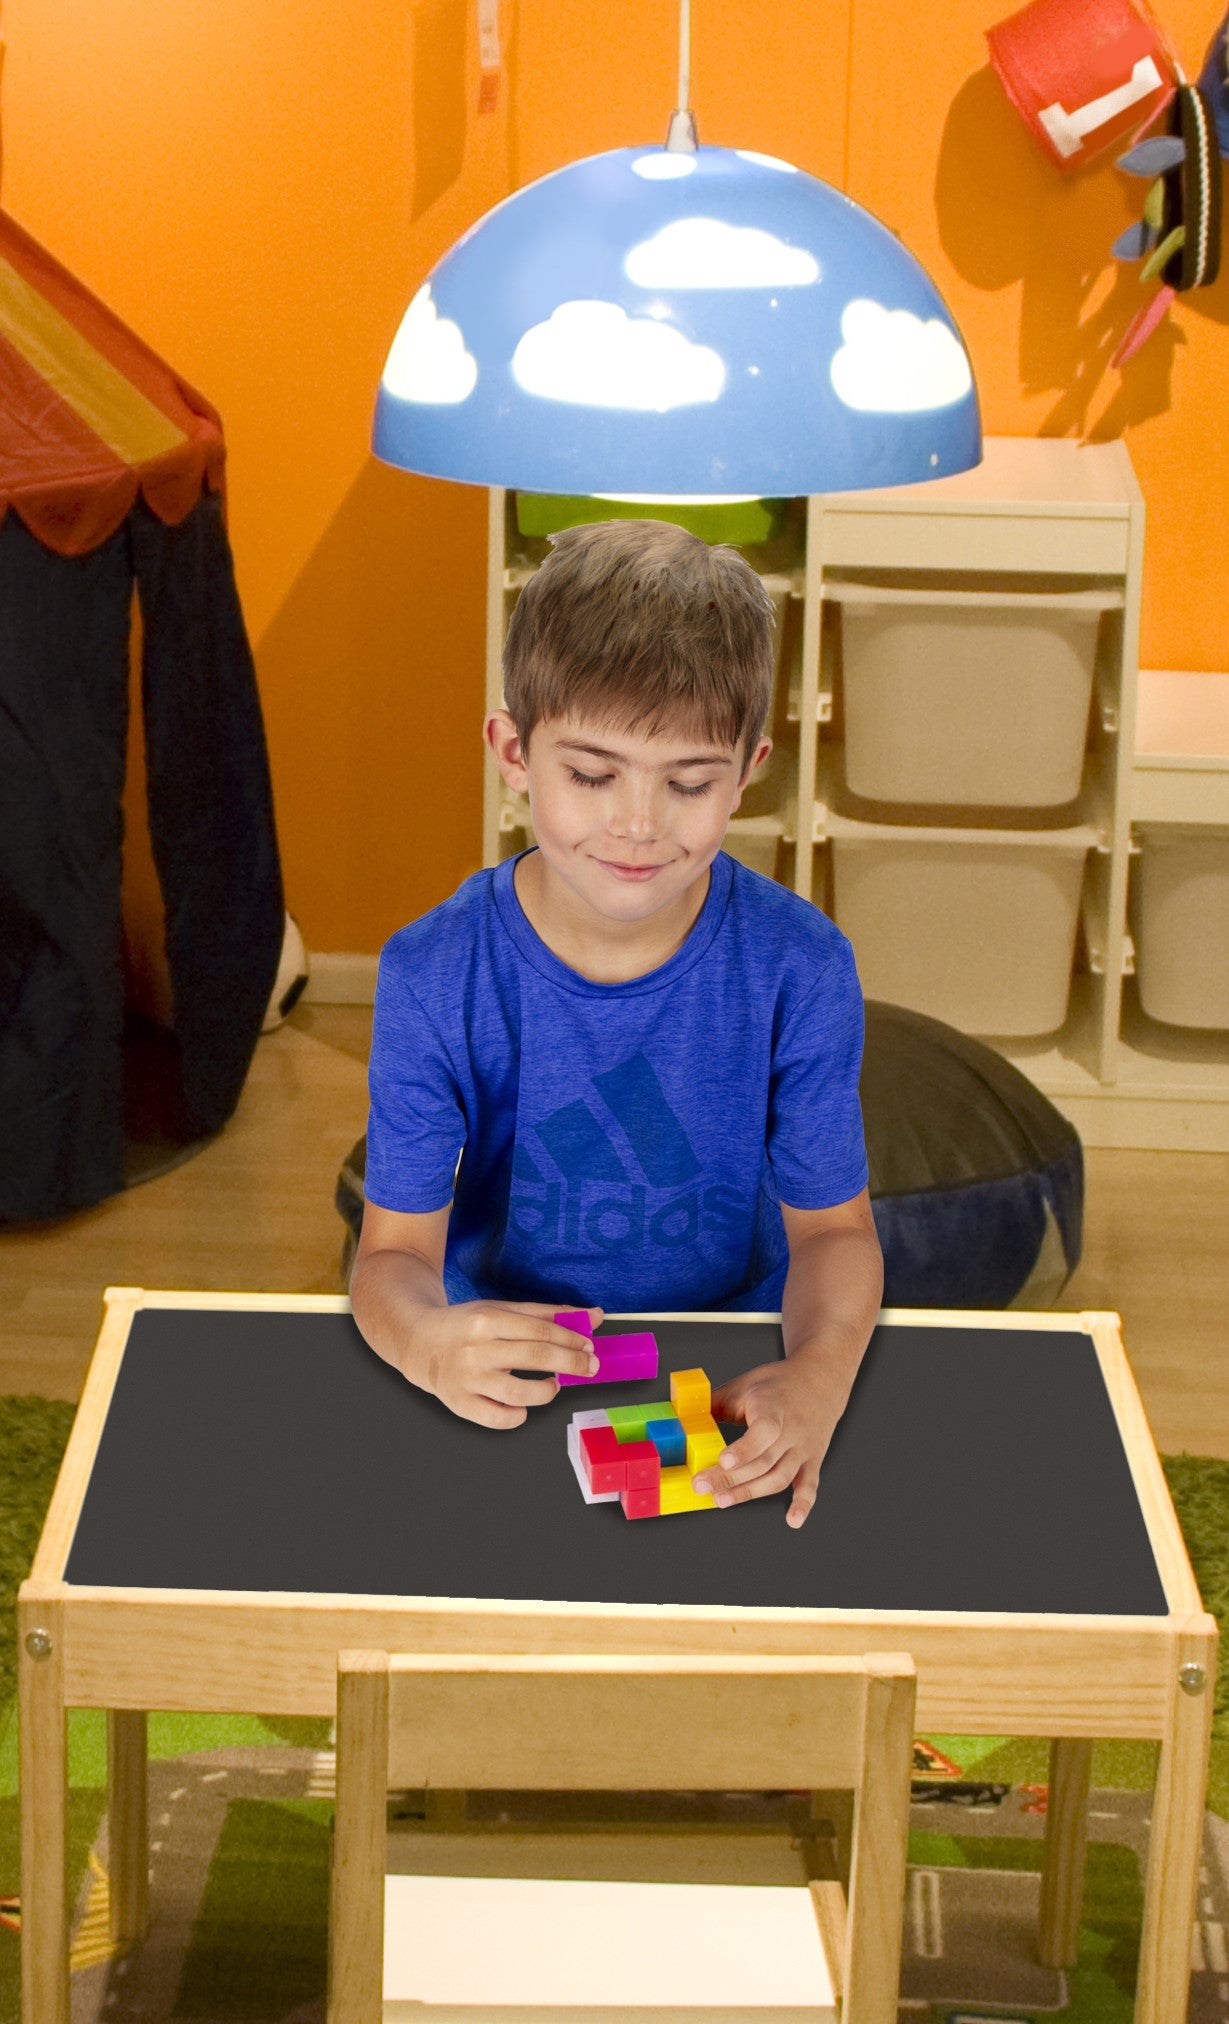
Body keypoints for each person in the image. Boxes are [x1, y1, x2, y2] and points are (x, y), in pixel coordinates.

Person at [350, 518, 883, 1527]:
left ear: (748, 769)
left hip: (728, 1356)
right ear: (514, 752)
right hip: (506, 1358)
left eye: (688, 782)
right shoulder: (431, 971)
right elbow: (390, 1258)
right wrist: (424, 1341)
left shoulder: (802, 966)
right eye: (592, 774)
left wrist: (819, 1370)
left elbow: (833, 1232)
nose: (638, 824)